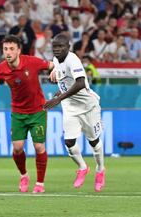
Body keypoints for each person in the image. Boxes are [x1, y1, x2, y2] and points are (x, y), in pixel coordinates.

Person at [0, 35, 53, 193]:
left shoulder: (32, 62)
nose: (8, 52)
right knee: (18, 148)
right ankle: (24, 175)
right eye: (5, 49)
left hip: (37, 110)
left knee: (39, 147)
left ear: (19, 50)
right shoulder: (1, 69)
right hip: (18, 113)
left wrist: (56, 71)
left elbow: (52, 65)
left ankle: (40, 183)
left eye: (12, 49)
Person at [44, 33, 105, 192]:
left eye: (60, 47)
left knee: (94, 142)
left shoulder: (73, 60)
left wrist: (57, 99)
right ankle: (83, 167)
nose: (57, 50)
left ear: (68, 47)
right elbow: (66, 80)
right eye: (54, 47)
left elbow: (80, 83)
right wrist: (60, 92)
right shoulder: (57, 60)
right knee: (69, 142)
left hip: (87, 106)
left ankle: (100, 169)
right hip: (70, 106)